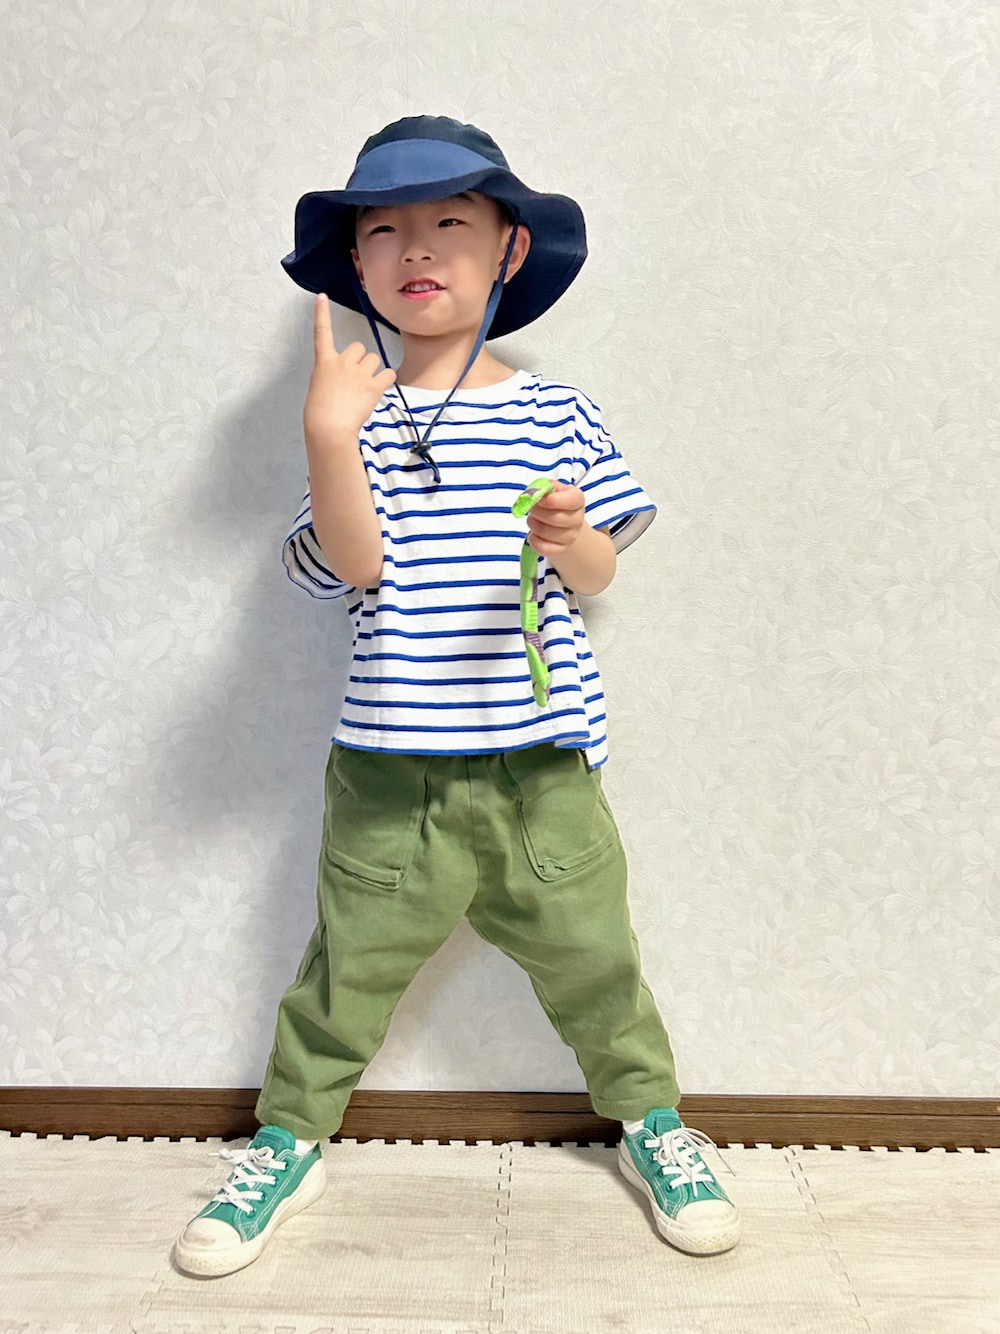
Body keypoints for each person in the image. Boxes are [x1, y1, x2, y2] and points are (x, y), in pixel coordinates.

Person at [174, 114, 741, 1278]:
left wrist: (573, 536)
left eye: (448, 222)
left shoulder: (555, 410)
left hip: (541, 771)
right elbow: (352, 566)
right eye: (383, 230)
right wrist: (329, 436)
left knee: (598, 963)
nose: (416, 247)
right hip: (389, 773)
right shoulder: (354, 415)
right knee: (342, 977)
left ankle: (653, 1122)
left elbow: (598, 575)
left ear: (507, 250)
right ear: (357, 264)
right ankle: (288, 1139)